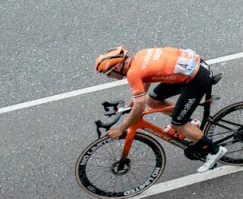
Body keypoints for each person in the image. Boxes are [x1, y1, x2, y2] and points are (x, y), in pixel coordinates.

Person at [94, 46, 225, 170]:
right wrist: (130, 106)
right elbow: (144, 81)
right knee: (153, 101)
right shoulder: (139, 56)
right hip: (193, 67)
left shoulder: (133, 73)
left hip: (196, 78)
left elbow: (140, 107)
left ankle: (215, 150)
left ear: (117, 67)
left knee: (178, 125)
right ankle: (190, 123)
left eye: (109, 74)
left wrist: (121, 128)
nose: (109, 77)